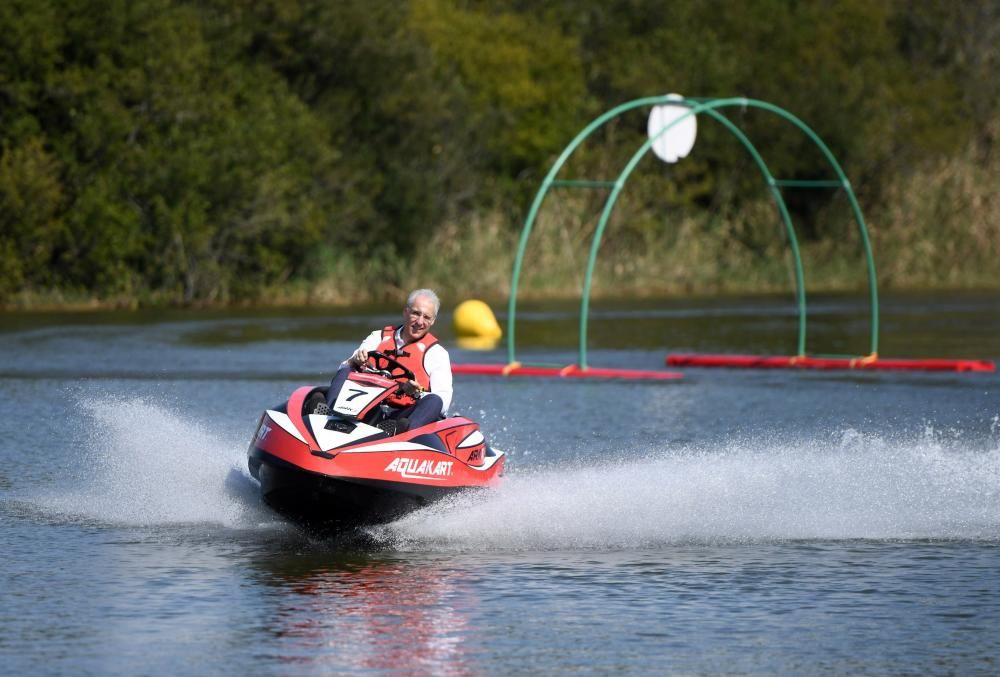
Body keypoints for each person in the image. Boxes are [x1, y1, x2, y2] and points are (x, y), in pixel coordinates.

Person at [324, 288, 453, 431]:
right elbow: (343, 368)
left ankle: (400, 434)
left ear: (433, 321)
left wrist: (416, 393)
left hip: (403, 415)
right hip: (367, 407)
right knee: (346, 370)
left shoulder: (437, 354)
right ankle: (330, 417)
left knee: (434, 401)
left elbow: (443, 402)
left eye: (426, 317)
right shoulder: (377, 337)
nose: (420, 322)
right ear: (406, 312)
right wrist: (356, 360)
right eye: (416, 314)